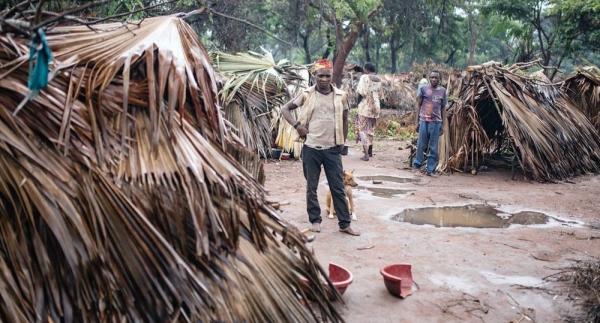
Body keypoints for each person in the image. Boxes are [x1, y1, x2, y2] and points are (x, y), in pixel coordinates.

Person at [281, 58, 360, 236]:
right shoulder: (306, 94)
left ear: (332, 76)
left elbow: (345, 118)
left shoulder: (341, 95)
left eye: (327, 75)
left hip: (332, 148)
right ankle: (315, 221)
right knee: (311, 186)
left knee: (338, 188)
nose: (324, 79)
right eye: (320, 75)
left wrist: (342, 142)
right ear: (314, 75)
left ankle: (344, 224)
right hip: (311, 148)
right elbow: (285, 109)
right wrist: (297, 126)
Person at [413, 70, 447, 177]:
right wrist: (416, 122)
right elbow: (418, 105)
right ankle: (417, 166)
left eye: (436, 78)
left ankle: (430, 170)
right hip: (424, 120)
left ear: (439, 79)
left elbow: (443, 108)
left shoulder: (442, 91)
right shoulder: (424, 89)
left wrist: (443, 125)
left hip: (436, 122)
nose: (433, 79)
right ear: (429, 78)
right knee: (420, 145)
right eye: (432, 77)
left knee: (433, 147)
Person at [354, 62, 382, 161]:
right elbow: (380, 94)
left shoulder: (364, 77)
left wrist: (357, 103)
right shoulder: (379, 79)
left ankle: (365, 154)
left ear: (366, 69)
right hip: (376, 107)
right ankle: (370, 151)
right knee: (371, 129)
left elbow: (361, 92)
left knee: (362, 129)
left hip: (365, 105)